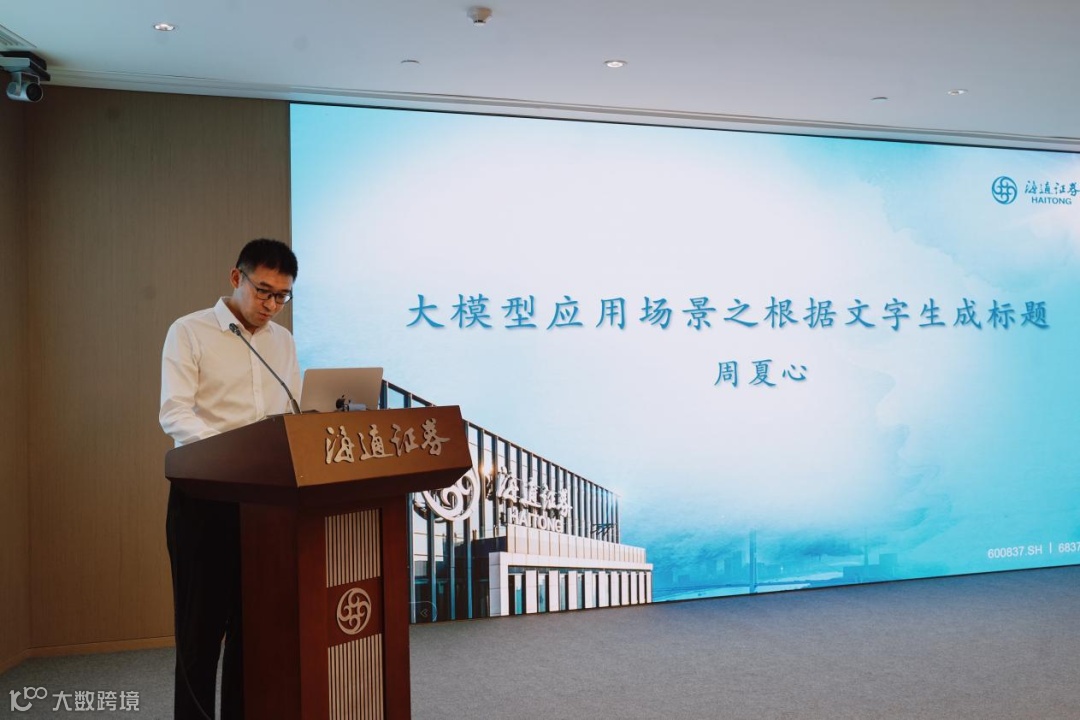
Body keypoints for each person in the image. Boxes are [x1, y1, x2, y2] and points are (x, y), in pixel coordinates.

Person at [159, 238, 301, 719]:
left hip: (265, 505)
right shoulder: (189, 331)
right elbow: (175, 413)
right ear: (236, 277)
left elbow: (288, 415)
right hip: (205, 497)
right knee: (200, 633)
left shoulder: (283, 342)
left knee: (252, 632)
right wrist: (230, 457)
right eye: (263, 291)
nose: (271, 305)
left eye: (282, 296)